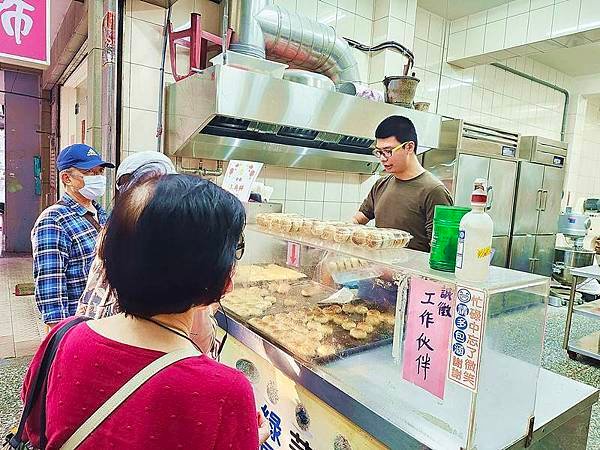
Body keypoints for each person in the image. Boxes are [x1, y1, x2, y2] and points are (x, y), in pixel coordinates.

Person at [21, 174, 269, 449]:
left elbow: (35, 429)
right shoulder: (226, 391)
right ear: (222, 280)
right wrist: (248, 439)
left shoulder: (64, 337)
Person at [75, 151, 217, 355]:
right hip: (146, 351)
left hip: (98, 342)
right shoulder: (173, 241)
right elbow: (199, 339)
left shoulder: (113, 229)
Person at [31, 144, 114, 328]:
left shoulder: (102, 215)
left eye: (100, 172)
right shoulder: (54, 220)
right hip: (78, 327)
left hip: (105, 322)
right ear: (66, 178)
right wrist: (61, 335)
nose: (98, 178)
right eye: (89, 172)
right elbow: (50, 286)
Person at [353, 116, 453, 252]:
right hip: (380, 269)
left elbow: (441, 248)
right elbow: (359, 219)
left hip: (412, 272)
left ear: (409, 147)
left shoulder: (434, 190)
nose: (382, 158)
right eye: (379, 152)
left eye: (388, 151)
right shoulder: (381, 184)